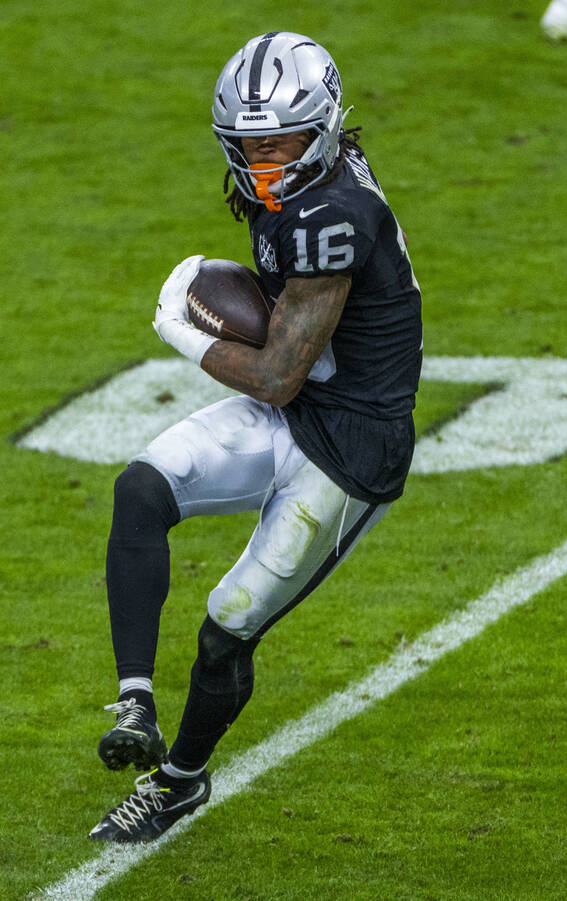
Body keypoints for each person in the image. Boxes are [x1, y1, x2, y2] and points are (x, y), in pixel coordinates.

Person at [89, 31, 422, 842]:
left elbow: (278, 376)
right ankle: (134, 700)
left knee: (227, 624)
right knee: (140, 489)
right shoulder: (305, 181)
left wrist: (184, 332)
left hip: (348, 445)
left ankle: (178, 780)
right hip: (304, 404)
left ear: (323, 128)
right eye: (248, 146)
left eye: (280, 143)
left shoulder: (333, 214)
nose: (264, 162)